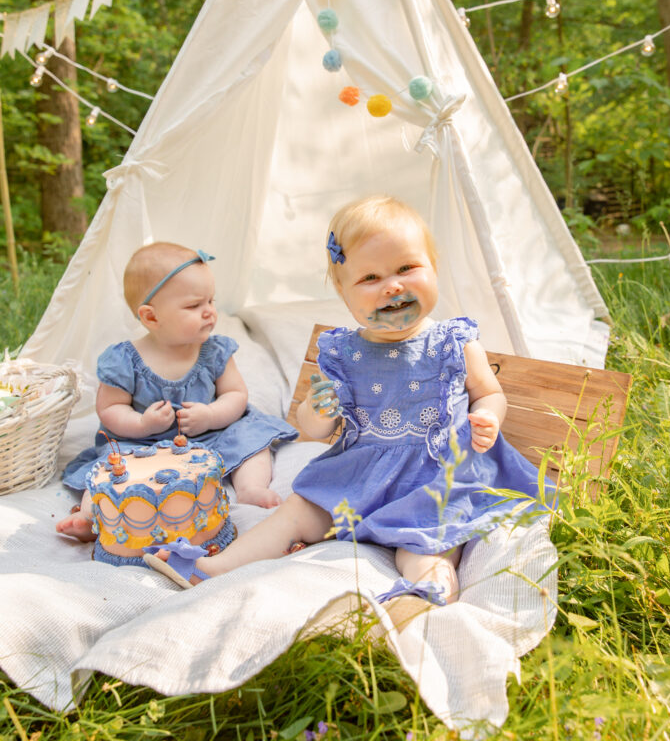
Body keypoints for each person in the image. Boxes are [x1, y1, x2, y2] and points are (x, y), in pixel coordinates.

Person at [144, 199, 552, 627]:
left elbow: (489, 392)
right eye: (370, 277)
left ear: (433, 268)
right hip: (360, 476)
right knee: (297, 512)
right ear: (343, 292)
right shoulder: (343, 353)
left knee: (427, 544)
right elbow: (313, 427)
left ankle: (427, 594)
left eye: (407, 268)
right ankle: (214, 569)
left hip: (431, 478)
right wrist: (319, 412)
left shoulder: (454, 342)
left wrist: (487, 416)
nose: (392, 286)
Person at [57, 242, 298, 542]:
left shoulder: (214, 351)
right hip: (142, 443)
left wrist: (210, 415)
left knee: (251, 441)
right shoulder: (124, 360)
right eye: (194, 306)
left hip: (209, 435)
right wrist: (142, 424)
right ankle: (90, 515)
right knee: (110, 467)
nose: (210, 312)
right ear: (151, 317)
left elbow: (235, 394)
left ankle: (250, 488)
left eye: (211, 301)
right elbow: (109, 409)